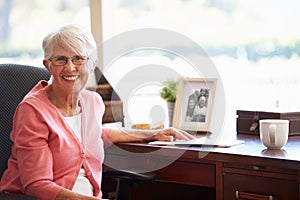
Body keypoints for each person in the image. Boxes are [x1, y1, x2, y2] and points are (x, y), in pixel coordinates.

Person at [0, 24, 195, 200]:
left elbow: (91, 135)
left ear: (92, 63)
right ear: (48, 65)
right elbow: (37, 185)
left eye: (78, 58)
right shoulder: (33, 111)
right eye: (60, 59)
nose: (70, 67)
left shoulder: (92, 101)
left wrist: (151, 134)